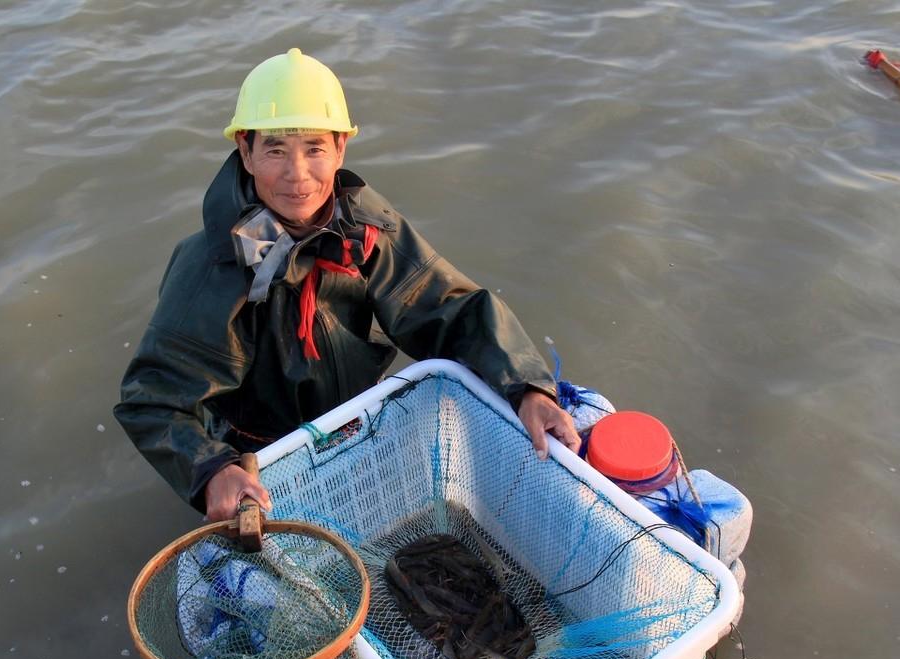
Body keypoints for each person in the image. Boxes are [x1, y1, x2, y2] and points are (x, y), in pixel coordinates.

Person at [114, 48, 578, 522]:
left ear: (340, 150)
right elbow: (152, 401)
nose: (298, 175)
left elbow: (452, 310)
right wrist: (212, 469)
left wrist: (526, 388)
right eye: (275, 149)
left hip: (357, 423)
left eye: (315, 149)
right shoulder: (209, 268)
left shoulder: (366, 229)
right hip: (263, 459)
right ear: (246, 154)